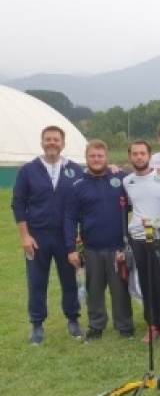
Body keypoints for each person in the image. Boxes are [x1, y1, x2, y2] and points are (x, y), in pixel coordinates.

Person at [11, 125, 84, 344]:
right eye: (48, 139)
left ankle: (73, 320)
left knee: (70, 279)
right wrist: (25, 236)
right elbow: (18, 204)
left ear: (63, 143)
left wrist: (79, 235)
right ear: (42, 142)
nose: (52, 143)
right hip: (38, 236)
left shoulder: (74, 170)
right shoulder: (28, 170)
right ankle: (37, 325)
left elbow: (84, 201)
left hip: (66, 236)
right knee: (36, 281)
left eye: (56, 139)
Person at [65, 140, 134, 340]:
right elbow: (69, 218)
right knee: (94, 290)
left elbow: (141, 183)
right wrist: (71, 248)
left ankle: (125, 326)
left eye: (100, 156)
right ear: (86, 158)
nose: (96, 159)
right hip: (91, 247)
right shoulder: (77, 186)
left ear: (107, 157)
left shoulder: (120, 179)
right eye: (92, 156)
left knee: (120, 290)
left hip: (118, 247)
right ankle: (96, 326)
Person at [123, 140, 160, 343]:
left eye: (142, 153)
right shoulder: (127, 181)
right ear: (130, 157)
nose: (138, 157)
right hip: (138, 239)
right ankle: (152, 324)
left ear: (149, 155)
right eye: (134, 154)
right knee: (145, 282)